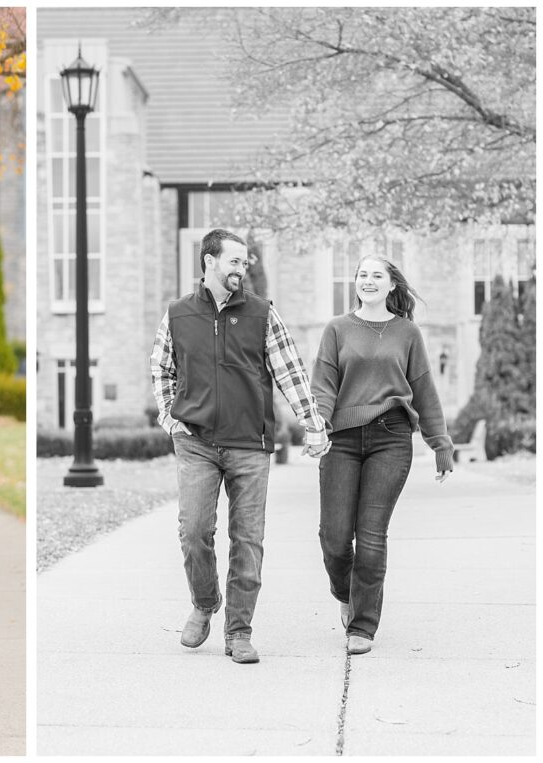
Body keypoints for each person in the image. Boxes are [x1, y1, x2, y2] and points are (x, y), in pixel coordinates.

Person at [150, 228, 329, 664]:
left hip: (250, 443)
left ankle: (239, 631)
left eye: (244, 261)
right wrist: (171, 418)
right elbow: (161, 371)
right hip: (196, 442)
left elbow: (290, 372)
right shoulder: (177, 314)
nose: (242, 268)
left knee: (248, 540)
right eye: (234, 261)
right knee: (193, 531)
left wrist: (312, 423)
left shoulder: (263, 313)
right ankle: (204, 603)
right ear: (209, 261)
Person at [311, 255, 453, 656]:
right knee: (334, 538)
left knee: (371, 535)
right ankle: (346, 593)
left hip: (390, 437)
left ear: (392, 285)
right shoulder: (337, 329)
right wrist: (317, 425)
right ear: (354, 282)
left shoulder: (406, 333)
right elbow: (323, 385)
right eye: (362, 275)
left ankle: (363, 627)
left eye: (377, 275)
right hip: (341, 438)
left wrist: (440, 444)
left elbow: (423, 389)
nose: (368, 280)